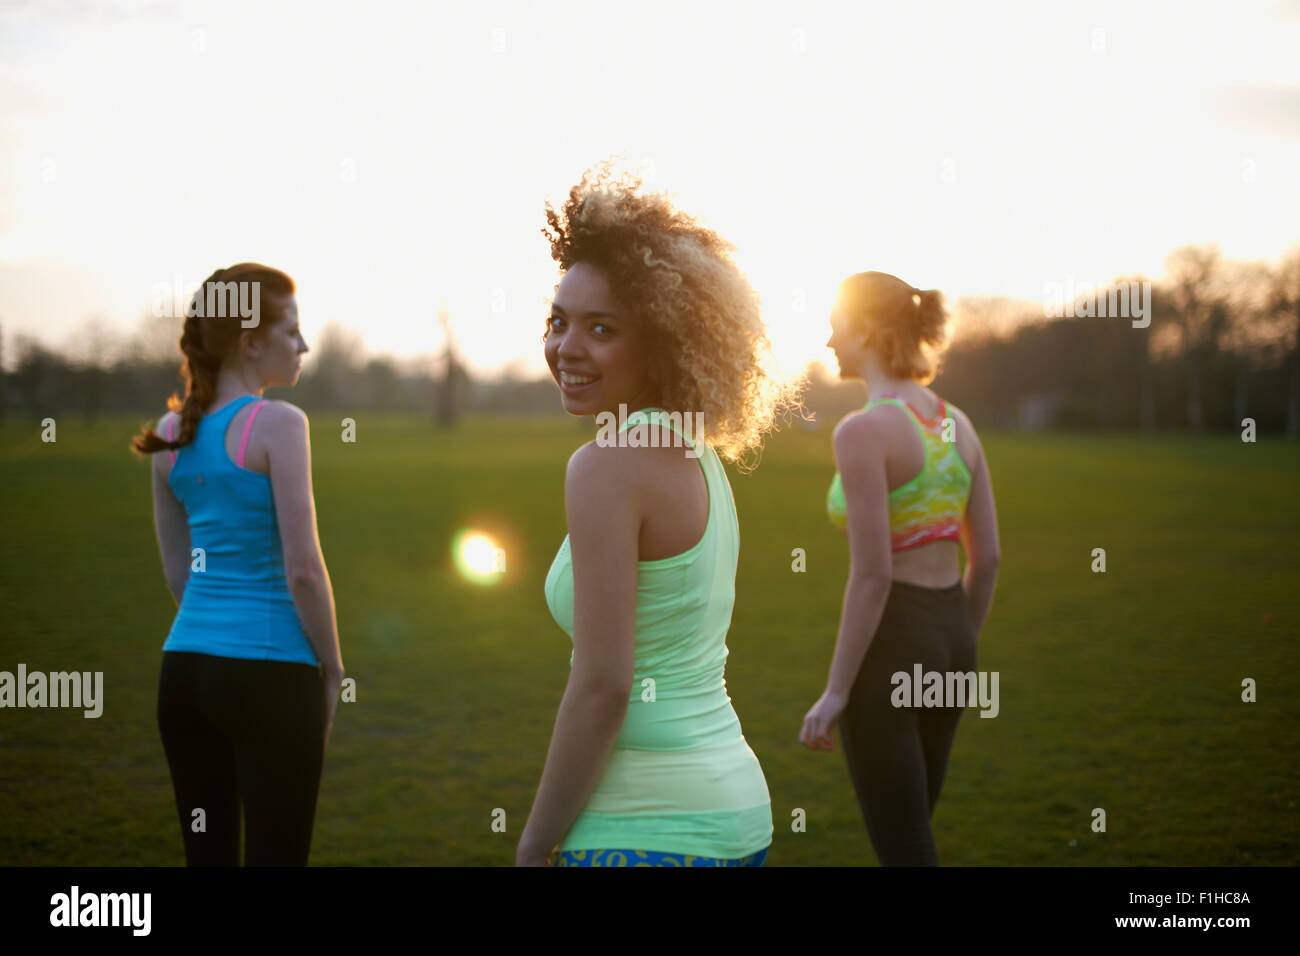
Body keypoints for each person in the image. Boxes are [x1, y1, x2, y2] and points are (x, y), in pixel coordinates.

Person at [517, 164, 798, 867]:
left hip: (649, 831)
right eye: (558, 322)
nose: (565, 348)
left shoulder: (607, 465)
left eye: (601, 328)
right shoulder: (693, 451)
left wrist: (533, 842)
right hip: (734, 815)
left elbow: (604, 685)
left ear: (664, 340)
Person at [131, 263, 344, 866]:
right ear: (251, 343)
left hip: (185, 677)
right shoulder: (279, 423)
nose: (304, 345)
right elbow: (305, 570)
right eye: (292, 331)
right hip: (271, 680)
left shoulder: (169, 435)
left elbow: (180, 575)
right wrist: (331, 666)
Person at [799, 271, 1000, 866]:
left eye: (835, 323)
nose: (829, 338)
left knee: (905, 847)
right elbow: (986, 559)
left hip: (894, 643)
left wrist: (836, 691)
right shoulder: (957, 423)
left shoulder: (862, 430)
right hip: (953, 638)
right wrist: (956, 644)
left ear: (865, 327)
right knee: (914, 835)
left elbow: (873, 576)